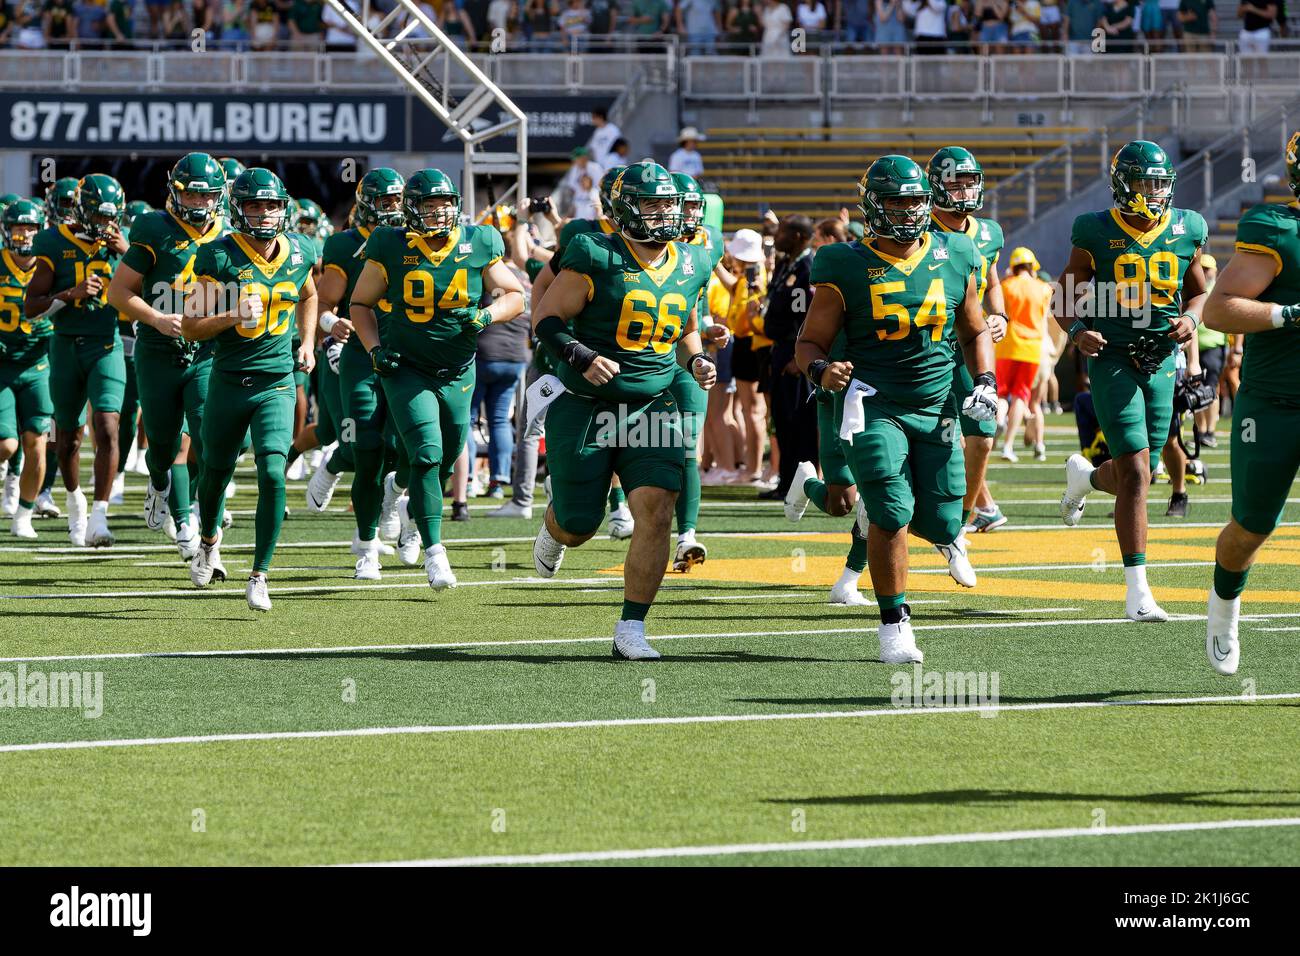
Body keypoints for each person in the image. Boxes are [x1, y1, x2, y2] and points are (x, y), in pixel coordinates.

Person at [797, 155, 996, 664]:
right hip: (874, 403)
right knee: (890, 510)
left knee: (945, 522)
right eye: (896, 201)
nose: (908, 211)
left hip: (937, 405)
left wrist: (987, 381)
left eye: (915, 200)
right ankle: (894, 623)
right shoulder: (843, 262)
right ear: (873, 205)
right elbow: (810, 341)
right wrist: (821, 370)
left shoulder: (956, 250)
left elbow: (974, 328)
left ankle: (906, 533)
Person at [529, 161, 715, 660]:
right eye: (651, 204)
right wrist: (579, 354)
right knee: (579, 524)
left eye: (668, 204)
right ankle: (553, 524)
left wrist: (696, 358)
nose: (663, 214)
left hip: (653, 403)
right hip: (585, 405)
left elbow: (684, 321)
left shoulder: (695, 258)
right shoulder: (595, 253)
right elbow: (546, 318)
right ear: (625, 208)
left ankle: (631, 626)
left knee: (655, 512)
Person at [349, 169, 525, 589]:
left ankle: (401, 493)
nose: (438, 212)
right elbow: (360, 304)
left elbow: (515, 296)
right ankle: (435, 553)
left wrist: (485, 315)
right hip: (406, 368)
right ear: (411, 208)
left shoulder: (479, 241)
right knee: (427, 453)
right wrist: (374, 349)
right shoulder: (389, 242)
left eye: (445, 203)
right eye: (429, 205)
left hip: (460, 370)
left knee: (445, 460)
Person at [1056, 139, 1208, 622]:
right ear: (1123, 184)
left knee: (1136, 474)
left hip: (1162, 360)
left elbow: (1200, 292)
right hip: (1115, 357)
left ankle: (1084, 477)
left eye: (1161, 183)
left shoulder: (1188, 227)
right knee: (1139, 473)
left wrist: (1193, 319)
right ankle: (1138, 590)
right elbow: (1063, 298)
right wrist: (1078, 332)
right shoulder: (1095, 229)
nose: (1154, 191)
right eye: (1145, 183)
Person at [183, 168, 318, 612]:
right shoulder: (218, 256)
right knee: (215, 473)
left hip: (276, 382)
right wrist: (231, 315)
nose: (264, 213)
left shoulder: (300, 250)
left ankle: (260, 573)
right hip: (226, 381)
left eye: (272, 204)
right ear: (237, 209)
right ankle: (207, 539)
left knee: (273, 472)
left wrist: (309, 342)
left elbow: (310, 294)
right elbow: (190, 327)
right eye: (256, 205)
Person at [1199, 132, 1300, 675]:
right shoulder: (1277, 230)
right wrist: (1291, 314)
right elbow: (1219, 310)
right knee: (1251, 526)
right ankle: (1223, 610)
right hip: (1275, 403)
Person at [108, 153, 227, 563]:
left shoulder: (230, 231)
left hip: (207, 352)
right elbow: (118, 291)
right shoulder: (153, 228)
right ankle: (158, 483)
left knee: (210, 440)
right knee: (161, 446)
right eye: (190, 196)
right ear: (175, 193)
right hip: (159, 351)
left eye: (206, 196)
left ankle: (198, 530)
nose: (199, 204)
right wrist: (156, 318)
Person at [26, 174, 128, 548]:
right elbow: (32, 307)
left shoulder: (123, 243)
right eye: (98, 218)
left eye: (110, 217)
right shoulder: (53, 241)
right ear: (82, 212)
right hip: (66, 346)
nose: (106, 225)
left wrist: (129, 251)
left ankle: (100, 516)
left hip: (106, 344)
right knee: (66, 438)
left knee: (107, 425)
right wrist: (71, 293)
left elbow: (157, 288)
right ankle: (75, 503)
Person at [321, 167, 409, 576]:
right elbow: (323, 304)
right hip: (361, 354)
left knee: (412, 448)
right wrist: (328, 326)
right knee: (367, 446)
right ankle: (367, 545)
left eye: (398, 199)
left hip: (409, 355)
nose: (394, 207)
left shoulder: (415, 239)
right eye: (387, 200)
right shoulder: (344, 244)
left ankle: (395, 492)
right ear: (368, 202)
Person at [782, 217, 873, 606]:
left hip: (883, 406)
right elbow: (809, 343)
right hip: (835, 401)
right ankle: (806, 484)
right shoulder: (833, 296)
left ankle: (850, 579)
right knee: (841, 503)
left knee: (880, 496)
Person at [926, 147, 1010, 534]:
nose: (965, 190)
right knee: (936, 437)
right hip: (929, 344)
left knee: (982, 437)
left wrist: (1000, 316)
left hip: (971, 347)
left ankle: (962, 520)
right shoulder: (919, 227)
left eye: (970, 181)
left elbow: (992, 281)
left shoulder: (989, 232)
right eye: (954, 184)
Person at [669, 172, 728, 571]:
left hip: (689, 352)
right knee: (616, 436)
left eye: (695, 205)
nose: (690, 213)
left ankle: (686, 534)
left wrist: (707, 330)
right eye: (683, 204)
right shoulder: (632, 243)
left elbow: (695, 307)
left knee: (688, 443)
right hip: (639, 354)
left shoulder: (709, 244)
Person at [0, 200, 50, 540]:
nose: (25, 235)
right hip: (2, 362)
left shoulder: (49, 264)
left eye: (31, 228)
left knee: (37, 443)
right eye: (19, 228)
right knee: (6, 445)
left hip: (39, 363)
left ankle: (24, 513)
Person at [762, 215, 818, 501]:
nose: (777, 236)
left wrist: (801, 356)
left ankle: (803, 485)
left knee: (801, 422)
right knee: (783, 421)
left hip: (796, 353)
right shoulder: (787, 264)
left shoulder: (808, 267)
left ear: (796, 236)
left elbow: (808, 316)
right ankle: (785, 482)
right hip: (780, 350)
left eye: (783, 231)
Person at [996, 246, 1054, 462]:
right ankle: (1008, 447)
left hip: (1007, 345)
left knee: (1001, 394)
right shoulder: (1044, 289)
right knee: (1021, 396)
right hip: (1032, 349)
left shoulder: (1006, 286)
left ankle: (999, 419)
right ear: (1032, 267)